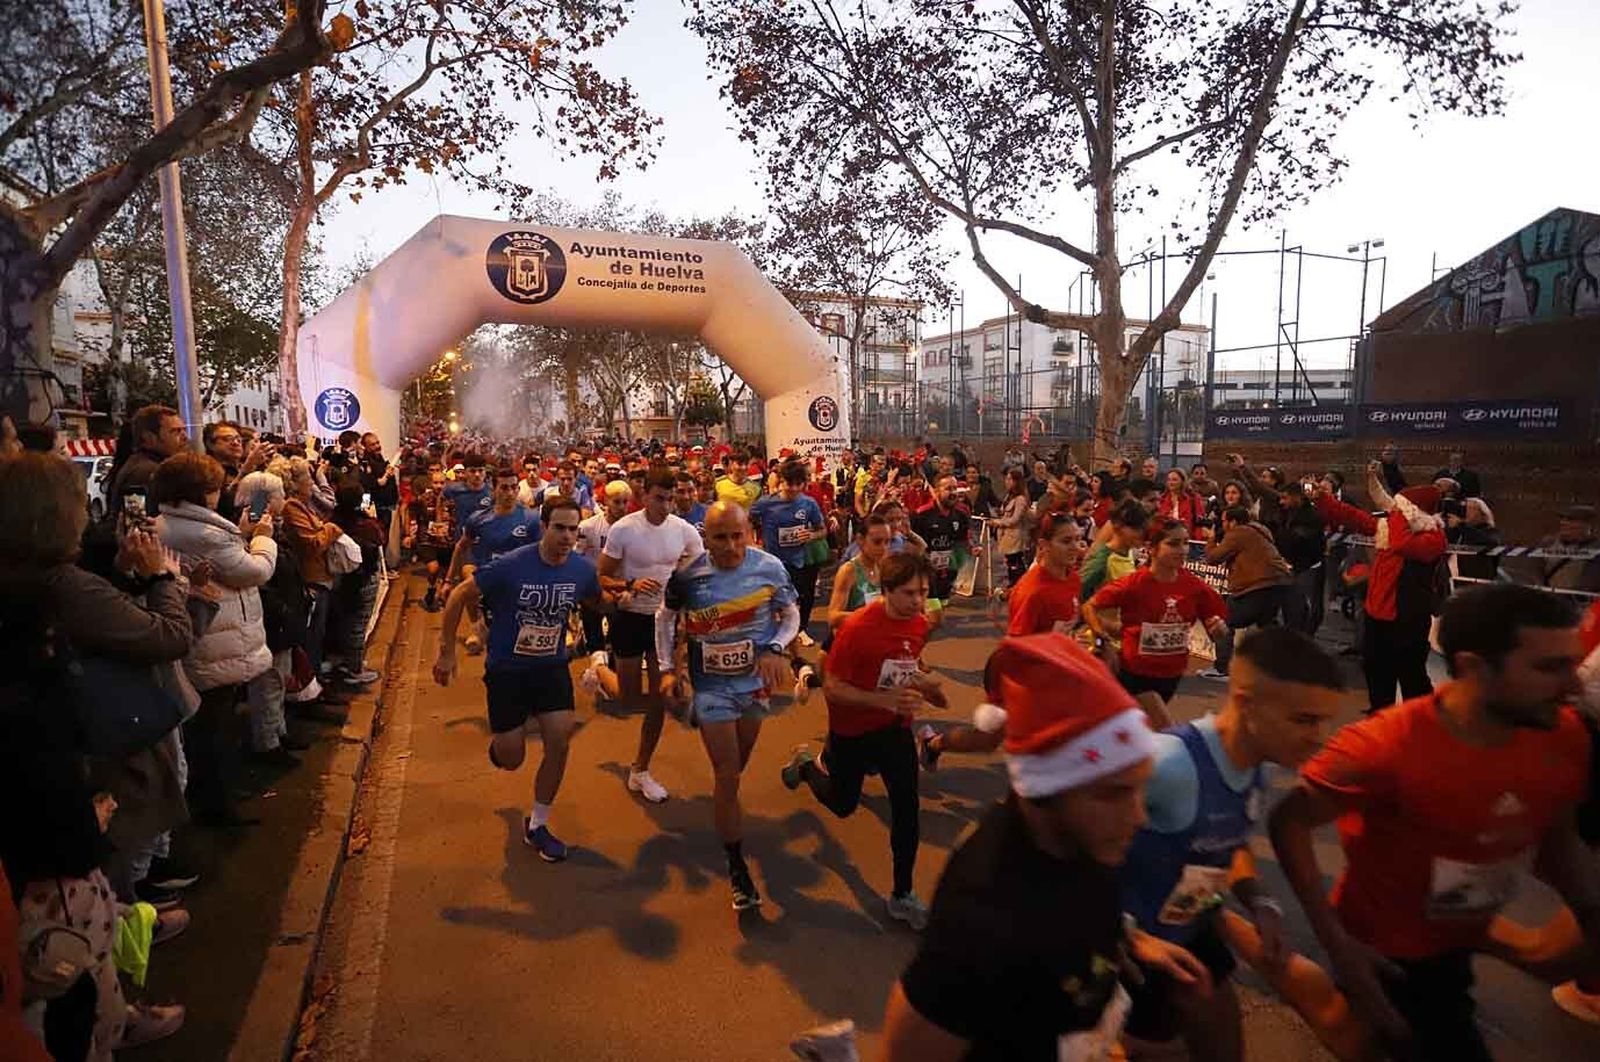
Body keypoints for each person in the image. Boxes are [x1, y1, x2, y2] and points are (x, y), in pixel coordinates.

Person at [1269, 583, 1600, 1062]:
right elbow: (1289, 820)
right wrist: (1338, 944)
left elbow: (1558, 833)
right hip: (1391, 957)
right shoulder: (1384, 746)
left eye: (1572, 664)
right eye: (1549, 668)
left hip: (1459, 940)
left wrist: (1588, 910)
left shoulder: (1562, 735)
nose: (1573, 687)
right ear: (1474, 668)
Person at [879, 633, 1203, 1062]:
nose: (1138, 815)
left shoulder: (1085, 837)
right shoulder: (982, 921)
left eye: (1139, 788)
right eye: (1114, 794)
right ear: (1047, 793)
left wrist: (1129, 939)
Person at [1121, 629, 1347, 1062]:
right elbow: (1057, 848)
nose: (1320, 737)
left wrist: (1259, 900)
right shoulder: (1167, 765)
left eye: (1325, 721)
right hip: (1130, 955)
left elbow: (1226, 844)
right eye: (1304, 720)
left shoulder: (1256, 767)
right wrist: (1127, 935)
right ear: (1246, 703)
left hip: (1189, 934)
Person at [433, 495, 606, 863]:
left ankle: (538, 825)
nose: (567, 536)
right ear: (543, 527)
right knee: (512, 758)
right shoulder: (511, 565)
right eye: (559, 528)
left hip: (550, 667)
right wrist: (446, 651)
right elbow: (460, 594)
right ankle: (501, 748)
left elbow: (597, 602)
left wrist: (627, 600)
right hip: (507, 670)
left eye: (573, 530)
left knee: (559, 741)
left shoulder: (581, 570)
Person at [781, 553, 947, 928]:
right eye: (909, 593)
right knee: (843, 805)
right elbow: (833, 688)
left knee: (907, 808)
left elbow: (902, 666)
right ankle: (806, 767)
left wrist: (926, 687)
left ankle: (902, 894)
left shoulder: (918, 624)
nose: (919, 602)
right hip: (851, 732)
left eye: (923, 592)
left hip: (895, 729)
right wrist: (883, 700)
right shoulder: (857, 629)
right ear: (886, 590)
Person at [657, 501, 800, 910]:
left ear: (750, 532)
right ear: (706, 538)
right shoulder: (687, 575)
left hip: (755, 685)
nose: (732, 545)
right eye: (721, 537)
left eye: (738, 536)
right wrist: (667, 669)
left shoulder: (770, 567)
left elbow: (791, 615)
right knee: (727, 775)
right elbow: (664, 619)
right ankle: (737, 868)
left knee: (736, 767)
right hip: (711, 687)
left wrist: (776, 647)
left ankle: (728, 812)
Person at [918, 510, 1088, 772]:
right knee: (986, 739)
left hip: (1052, 673)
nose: (1075, 547)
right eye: (1066, 541)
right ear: (1043, 545)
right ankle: (932, 744)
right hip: (1018, 675)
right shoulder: (1034, 591)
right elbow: (1016, 648)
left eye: (1078, 539)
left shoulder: (1072, 579)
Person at [598, 468, 706, 803]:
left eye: (671, 499)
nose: (666, 505)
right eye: (659, 498)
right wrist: (629, 584)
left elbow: (700, 575)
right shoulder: (623, 529)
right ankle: (598, 670)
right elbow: (601, 577)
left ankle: (640, 771)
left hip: (665, 623)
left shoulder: (685, 531)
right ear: (643, 495)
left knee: (661, 697)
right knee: (628, 699)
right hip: (631, 618)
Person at [1314, 468, 1447, 712]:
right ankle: (1380, 714)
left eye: (1400, 508)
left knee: (1412, 676)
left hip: (1407, 618)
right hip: (1377, 614)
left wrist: (1397, 517)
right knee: (1376, 670)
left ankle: (1422, 720)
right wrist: (1322, 498)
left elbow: (1402, 544)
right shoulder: (1391, 528)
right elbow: (1353, 516)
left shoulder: (1433, 538)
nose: (1393, 512)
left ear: (1412, 512)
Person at [1082, 517, 1228, 723]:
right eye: (1173, 544)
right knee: (1164, 729)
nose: (1182, 550)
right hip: (1136, 673)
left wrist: (1218, 629)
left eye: (1185, 543)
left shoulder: (1194, 586)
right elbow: (1089, 606)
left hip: (1173, 675)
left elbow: (1218, 628)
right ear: (1151, 548)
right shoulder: (1134, 584)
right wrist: (1102, 639)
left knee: (1138, 729)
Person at [446, 466, 544, 654]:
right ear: (494, 489)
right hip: (487, 579)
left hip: (519, 584)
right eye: (504, 488)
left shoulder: (531, 519)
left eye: (514, 487)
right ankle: (476, 628)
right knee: (468, 583)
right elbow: (461, 547)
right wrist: (448, 581)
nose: (510, 493)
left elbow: (541, 553)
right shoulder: (478, 519)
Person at [1198, 505, 1293, 679]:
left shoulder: (1238, 532)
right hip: (1279, 583)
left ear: (1233, 522)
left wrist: (1211, 539)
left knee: (1223, 622)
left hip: (1256, 585)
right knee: (1267, 625)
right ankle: (1281, 667)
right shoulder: (1260, 530)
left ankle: (1222, 668)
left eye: (1224, 521)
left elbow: (1213, 558)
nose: (1222, 524)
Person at [275, 455, 345, 675]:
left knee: (317, 634)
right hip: (311, 578)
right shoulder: (292, 507)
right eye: (308, 477)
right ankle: (311, 683)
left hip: (317, 576)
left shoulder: (301, 505)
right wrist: (331, 528)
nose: (312, 482)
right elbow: (313, 544)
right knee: (312, 637)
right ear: (295, 483)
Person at [750, 460, 827, 646]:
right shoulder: (766, 503)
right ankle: (773, 634)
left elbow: (822, 530)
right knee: (771, 601)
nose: (793, 489)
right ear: (781, 481)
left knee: (800, 598)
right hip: (772, 562)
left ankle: (800, 630)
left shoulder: (808, 504)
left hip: (798, 561)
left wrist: (811, 535)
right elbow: (747, 521)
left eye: (798, 484)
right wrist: (752, 544)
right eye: (788, 483)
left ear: (804, 484)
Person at [108, 404, 188, 507]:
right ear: (149, 438)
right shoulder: (148, 472)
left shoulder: (148, 465)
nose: (185, 437)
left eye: (184, 430)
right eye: (175, 431)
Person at [911, 473, 971, 603]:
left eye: (955, 488)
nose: (953, 493)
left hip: (947, 578)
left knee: (942, 608)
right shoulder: (922, 515)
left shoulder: (961, 515)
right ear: (937, 490)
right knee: (932, 609)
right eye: (948, 489)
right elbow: (912, 545)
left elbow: (962, 543)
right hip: (926, 578)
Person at [1078, 498, 1149, 601]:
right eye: (1136, 528)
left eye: (1143, 528)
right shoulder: (1102, 560)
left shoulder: (1128, 552)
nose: (1141, 533)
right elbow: (1078, 593)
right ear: (1117, 526)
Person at [991, 467, 1033, 587]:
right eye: (1006, 479)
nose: (1007, 481)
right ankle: (1013, 584)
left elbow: (1015, 519)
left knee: (1015, 562)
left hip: (1015, 536)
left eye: (1010, 479)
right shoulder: (1008, 497)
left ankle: (1017, 585)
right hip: (1006, 536)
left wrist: (998, 522)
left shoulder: (1020, 499)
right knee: (1010, 562)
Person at [1160, 468, 1206, 539]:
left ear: (1182, 481)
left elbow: (1199, 522)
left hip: (1188, 539)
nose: (1171, 483)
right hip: (1165, 539)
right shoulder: (1161, 499)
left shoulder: (1193, 498)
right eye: (1169, 480)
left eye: (1174, 480)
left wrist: (1197, 540)